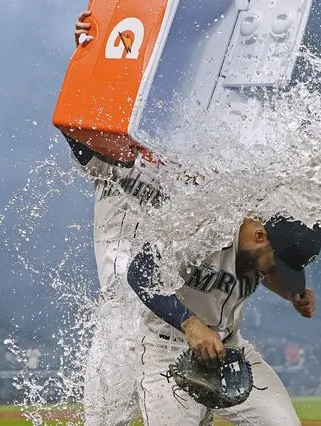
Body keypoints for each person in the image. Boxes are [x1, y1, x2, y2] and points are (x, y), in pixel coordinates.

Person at [70, 11, 212, 426]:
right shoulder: (110, 160)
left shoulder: (179, 168)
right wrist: (92, 52)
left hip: (167, 311)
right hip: (121, 308)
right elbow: (77, 123)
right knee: (104, 416)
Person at [127, 216, 321, 425]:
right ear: (259, 235)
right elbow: (140, 272)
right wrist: (190, 323)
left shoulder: (255, 250)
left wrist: (288, 292)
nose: (271, 273)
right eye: (275, 267)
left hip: (230, 351)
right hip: (167, 350)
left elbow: (258, 272)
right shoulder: (204, 228)